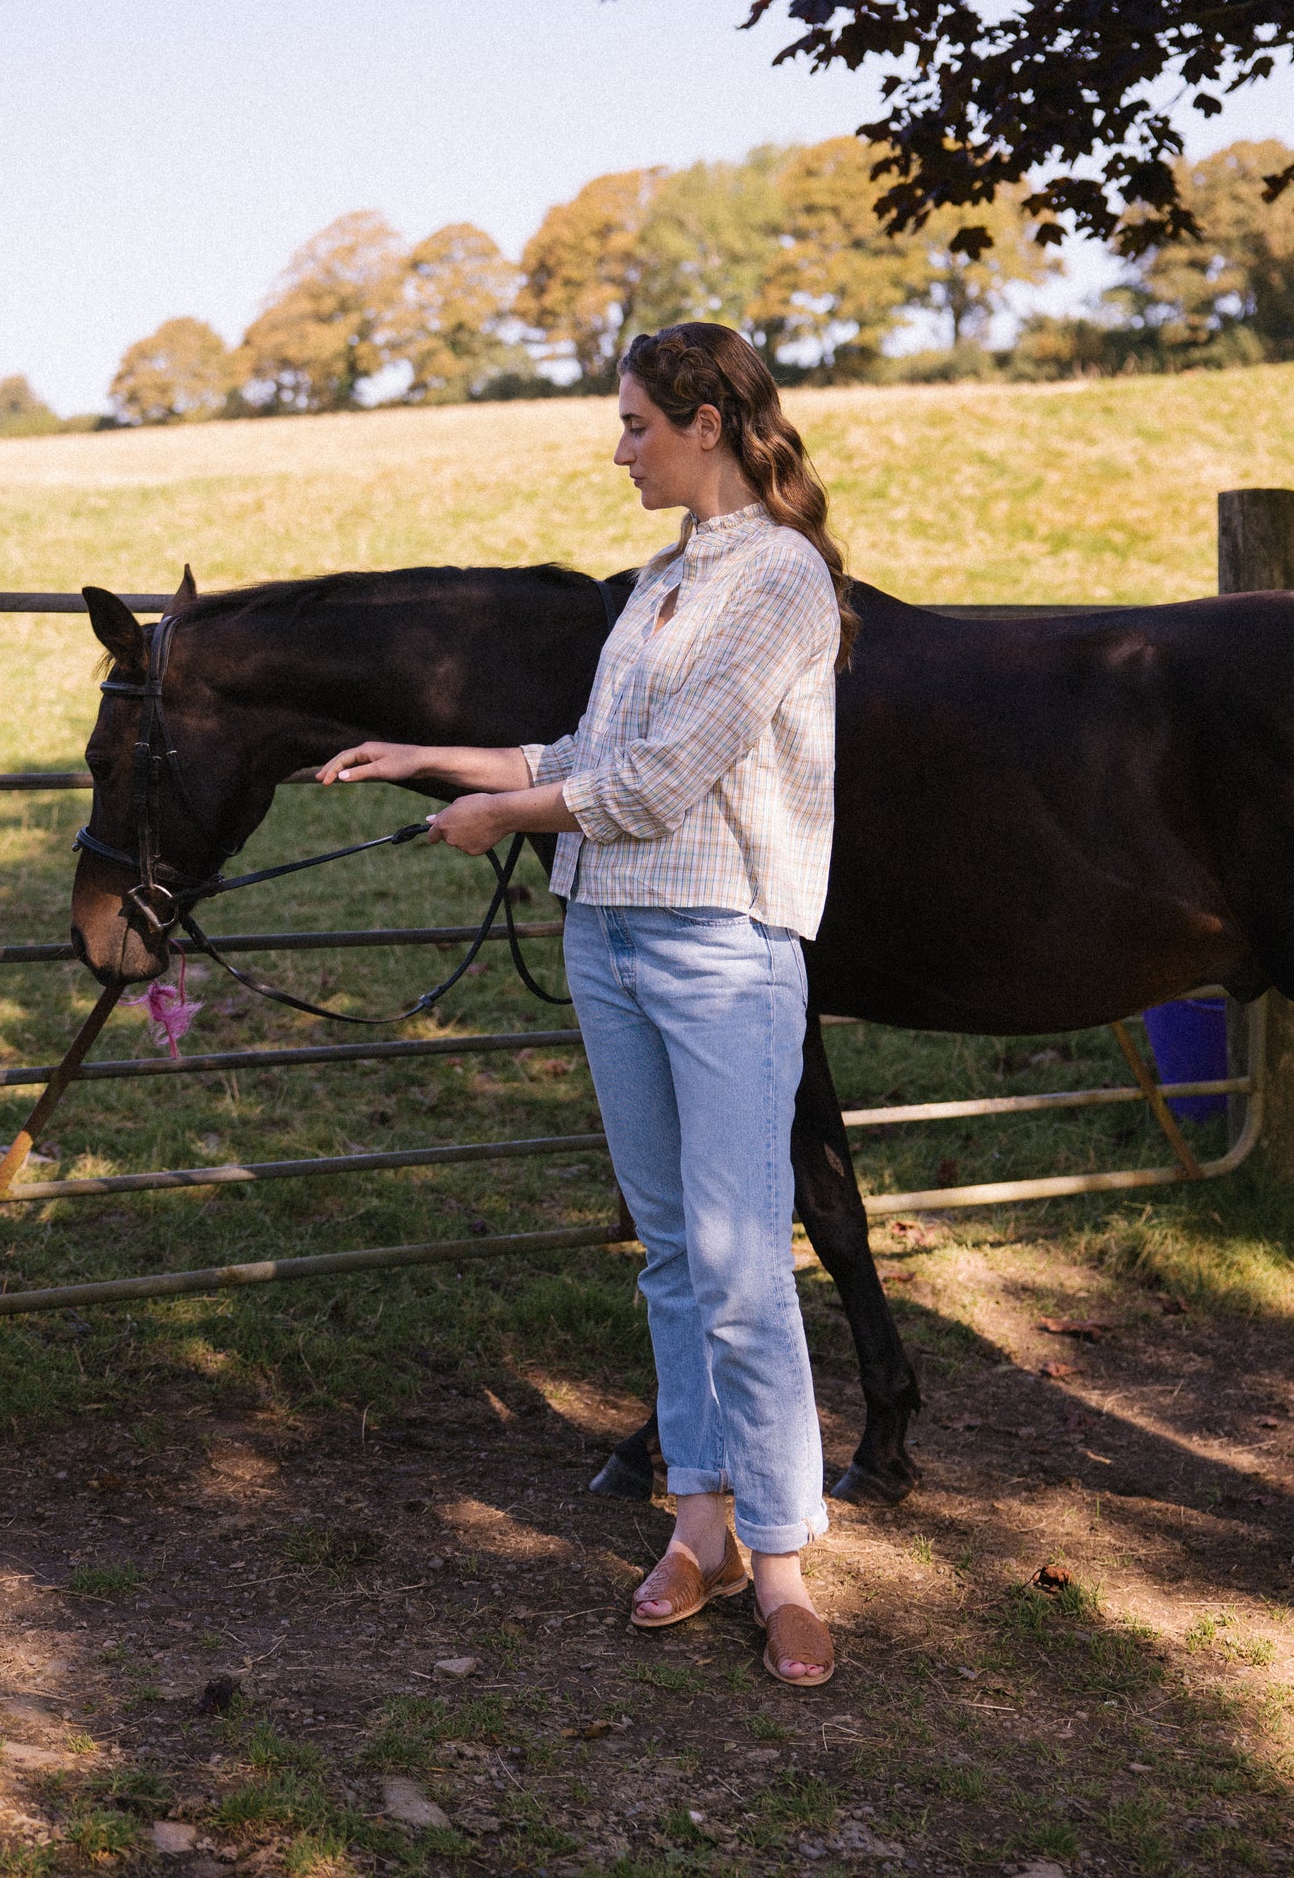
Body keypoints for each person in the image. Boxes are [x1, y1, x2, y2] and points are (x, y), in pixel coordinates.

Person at [316, 322, 858, 1688]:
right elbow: (590, 754)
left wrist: (503, 816)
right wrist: (434, 762)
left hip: (722, 948)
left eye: (633, 425)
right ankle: (699, 1524)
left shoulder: (781, 580)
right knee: (672, 1251)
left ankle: (783, 1559)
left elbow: (665, 779)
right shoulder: (660, 580)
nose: (618, 450)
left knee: (742, 1263)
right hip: (605, 937)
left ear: (707, 424)